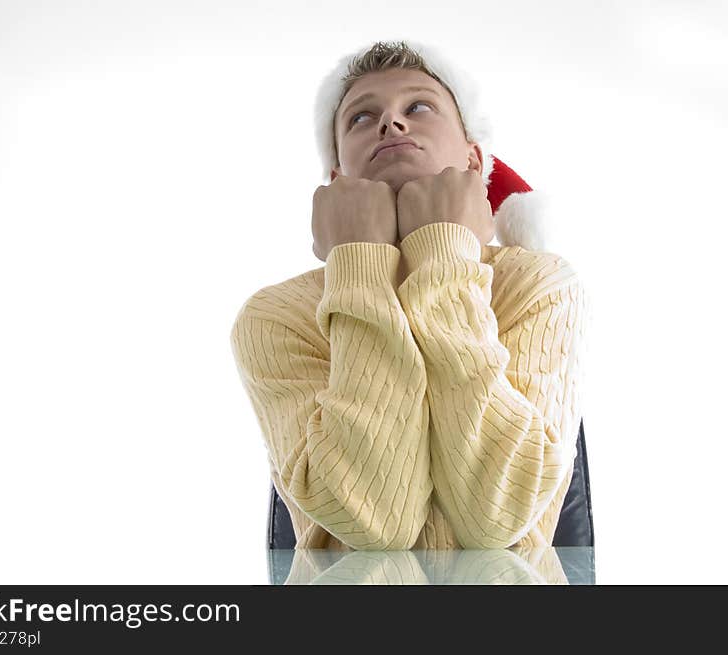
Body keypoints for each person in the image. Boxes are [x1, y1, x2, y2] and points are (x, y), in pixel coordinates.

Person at [230, 40, 589, 551]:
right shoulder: (276, 316)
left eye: (417, 107)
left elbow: (496, 516)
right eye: (361, 117)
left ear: (473, 158)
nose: (390, 124)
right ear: (338, 179)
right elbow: (375, 523)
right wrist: (360, 262)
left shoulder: (537, 285)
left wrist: (444, 256)